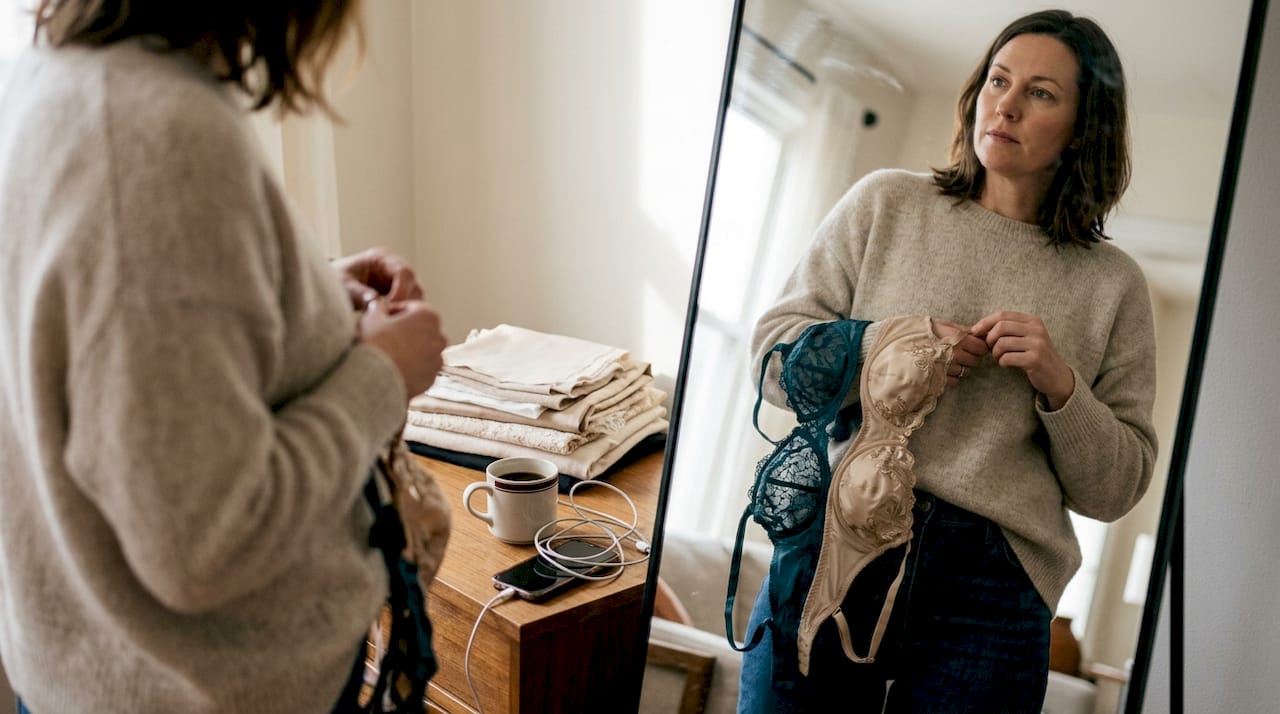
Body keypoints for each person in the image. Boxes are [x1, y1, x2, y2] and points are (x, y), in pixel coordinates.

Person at [0, 2, 448, 712]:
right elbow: (205, 542)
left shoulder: (46, 79)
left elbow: (116, 339)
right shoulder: (158, 137)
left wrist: (305, 296)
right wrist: (381, 377)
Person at [738, 9, 1157, 712]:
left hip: (995, 588)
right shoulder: (885, 204)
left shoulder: (1113, 285)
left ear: (1083, 129)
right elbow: (771, 365)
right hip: (837, 543)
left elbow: (1115, 491)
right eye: (998, 79)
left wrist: (1060, 386)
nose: (1008, 103)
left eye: (1042, 93)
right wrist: (885, 346)